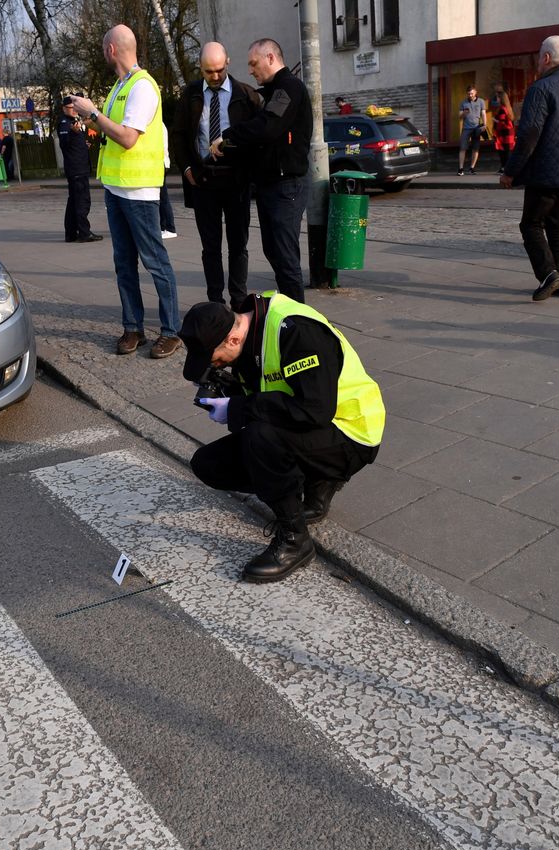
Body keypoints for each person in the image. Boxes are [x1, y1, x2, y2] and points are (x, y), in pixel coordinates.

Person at [178, 293, 385, 583]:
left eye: (214, 359)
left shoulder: (297, 331)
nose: (216, 365)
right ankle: (316, 480)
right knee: (208, 464)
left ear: (232, 340)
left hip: (352, 433)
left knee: (261, 438)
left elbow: (315, 410)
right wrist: (231, 394)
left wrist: (240, 408)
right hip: (312, 430)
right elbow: (275, 391)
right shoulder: (252, 330)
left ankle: (294, 541)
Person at [70, 25, 182, 359]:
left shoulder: (142, 86)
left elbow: (129, 138)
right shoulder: (120, 86)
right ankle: (133, 327)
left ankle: (171, 331)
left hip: (140, 191)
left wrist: (93, 113)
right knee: (123, 263)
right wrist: (90, 119)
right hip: (117, 188)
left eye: (104, 48)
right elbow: (113, 131)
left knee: (155, 262)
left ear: (112, 50)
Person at [209, 38, 313, 304]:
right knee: (275, 251)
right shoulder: (272, 91)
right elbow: (258, 136)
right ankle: (290, 311)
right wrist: (229, 145)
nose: (251, 70)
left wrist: (228, 136)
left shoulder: (288, 88)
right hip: (271, 184)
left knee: (285, 255)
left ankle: (299, 320)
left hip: (286, 184)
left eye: (254, 64)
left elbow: (267, 128)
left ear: (270, 58)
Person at [500, 35, 559, 301]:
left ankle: (549, 274)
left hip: (546, 173)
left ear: (547, 58)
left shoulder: (540, 89)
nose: (537, 61)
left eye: (539, 55)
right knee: (556, 228)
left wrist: (510, 171)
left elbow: (529, 134)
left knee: (531, 225)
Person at [172, 41, 262, 309]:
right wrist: (187, 169)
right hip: (203, 180)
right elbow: (178, 135)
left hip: (236, 180)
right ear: (200, 67)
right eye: (209, 71)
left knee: (238, 244)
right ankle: (215, 300)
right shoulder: (189, 95)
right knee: (210, 247)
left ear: (228, 63)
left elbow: (257, 135)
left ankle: (237, 298)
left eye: (219, 70)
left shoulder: (245, 95)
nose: (214, 76)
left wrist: (241, 157)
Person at [57, 95, 100, 243]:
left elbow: (73, 144)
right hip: (77, 169)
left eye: (75, 108)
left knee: (74, 201)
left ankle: (71, 234)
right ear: (64, 108)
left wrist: (83, 145)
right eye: (71, 108)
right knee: (82, 201)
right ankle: (84, 233)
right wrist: (72, 133)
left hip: (78, 167)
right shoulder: (65, 123)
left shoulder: (72, 122)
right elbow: (64, 143)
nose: (74, 110)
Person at [457, 86, 486, 176]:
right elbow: (459, 116)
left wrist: (485, 124)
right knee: (462, 148)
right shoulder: (463, 102)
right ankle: (461, 169)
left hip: (477, 128)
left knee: (475, 148)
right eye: (469, 93)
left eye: (472, 93)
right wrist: (464, 113)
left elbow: (483, 113)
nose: (470, 95)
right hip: (466, 128)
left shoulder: (481, 101)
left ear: (475, 92)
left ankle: (472, 168)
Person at [491, 88, 516, 174]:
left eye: (497, 97)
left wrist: (494, 120)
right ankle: (504, 167)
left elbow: (501, 122)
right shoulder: (508, 107)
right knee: (506, 151)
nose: (496, 99)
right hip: (509, 132)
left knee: (504, 151)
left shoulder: (502, 108)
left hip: (504, 133)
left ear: (501, 98)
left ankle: (505, 168)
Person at [160, 123, 177, 239]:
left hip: (160, 164)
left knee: (163, 198)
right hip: (162, 163)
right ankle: (164, 227)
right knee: (161, 197)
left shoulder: (158, 125)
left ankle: (169, 228)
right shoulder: (160, 125)